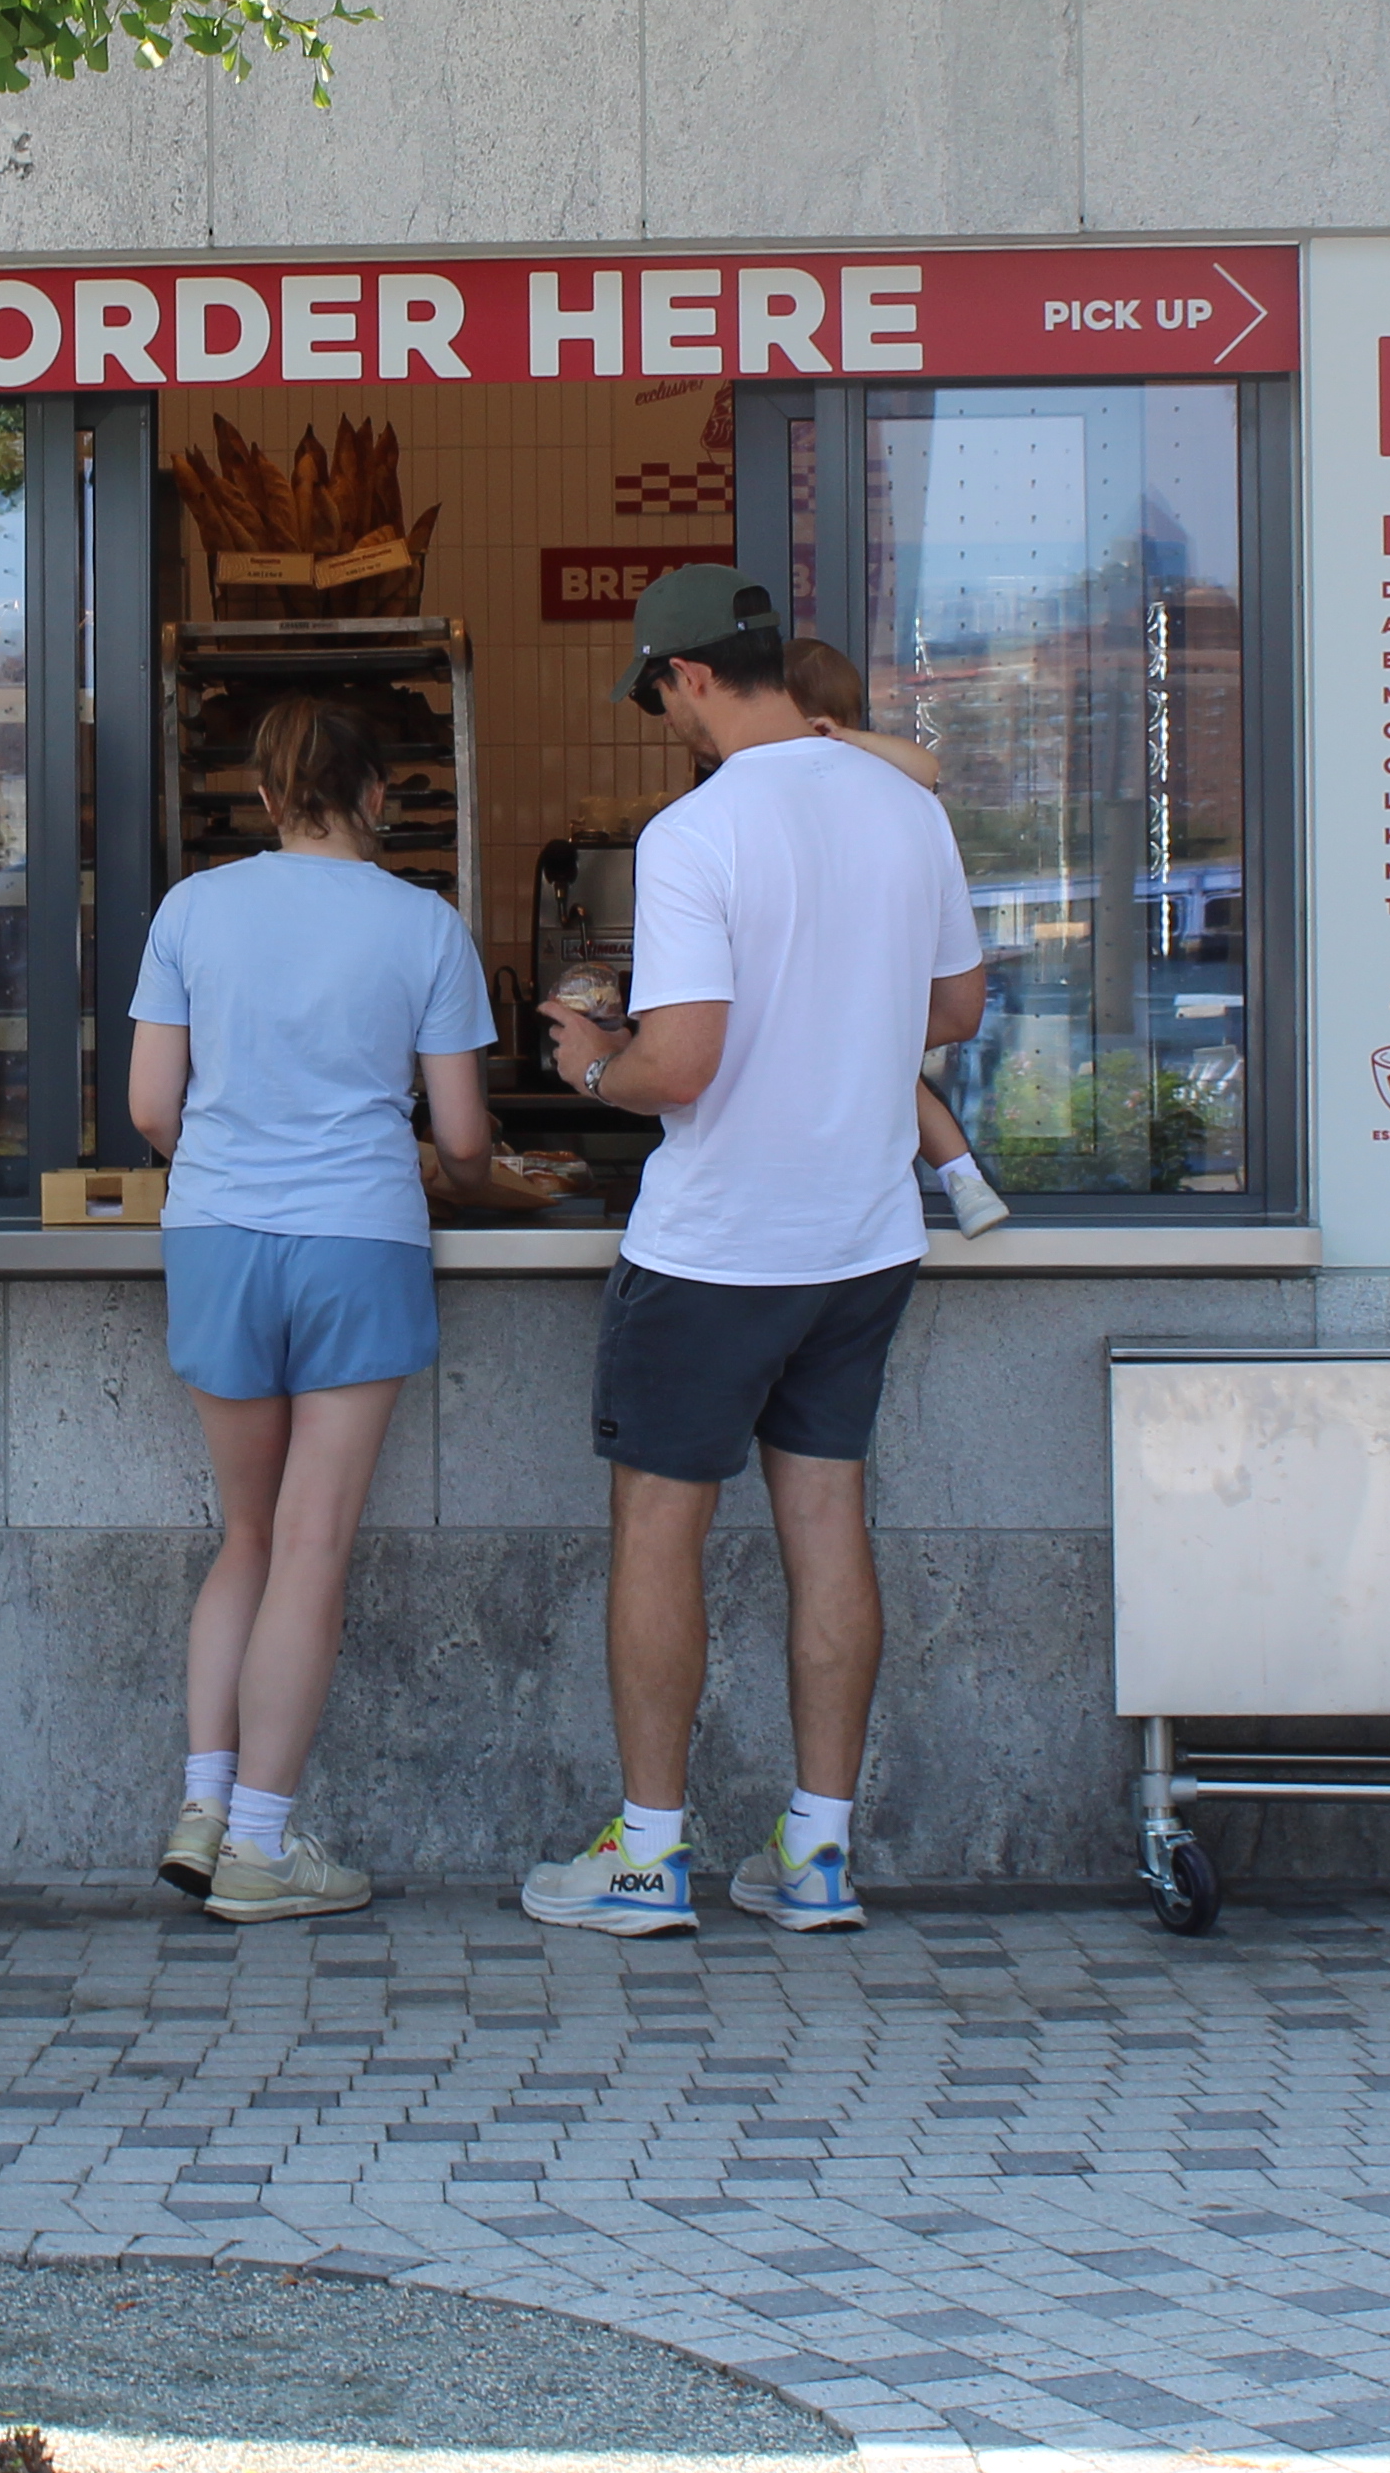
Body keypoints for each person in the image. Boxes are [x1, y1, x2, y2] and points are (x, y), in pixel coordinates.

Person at [520, 567, 984, 1943]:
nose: (667, 715)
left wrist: (591, 1063)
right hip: (862, 1234)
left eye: (661, 690)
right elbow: (955, 1002)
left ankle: (652, 1854)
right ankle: (819, 1855)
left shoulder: (695, 832)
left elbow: (684, 1062)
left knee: (662, 1530)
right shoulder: (907, 811)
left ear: (695, 677)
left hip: (720, 1245)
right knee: (827, 1523)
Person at [122, 693, 492, 1923]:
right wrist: (471, 1176)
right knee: (313, 1542)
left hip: (217, 1236)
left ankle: (204, 1806)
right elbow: (464, 1136)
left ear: (269, 798)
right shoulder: (424, 924)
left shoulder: (193, 910)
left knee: (249, 1538)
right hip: (357, 1238)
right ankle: (266, 1850)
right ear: (381, 795)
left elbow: (150, 1112)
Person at [783, 639, 1014, 1241]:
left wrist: (843, 739)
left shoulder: (856, 772)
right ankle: (962, 1176)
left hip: (838, 983)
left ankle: (961, 1176)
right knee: (891, 1071)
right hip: (861, 983)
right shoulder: (875, 800)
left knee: (885, 1072)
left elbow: (928, 769)